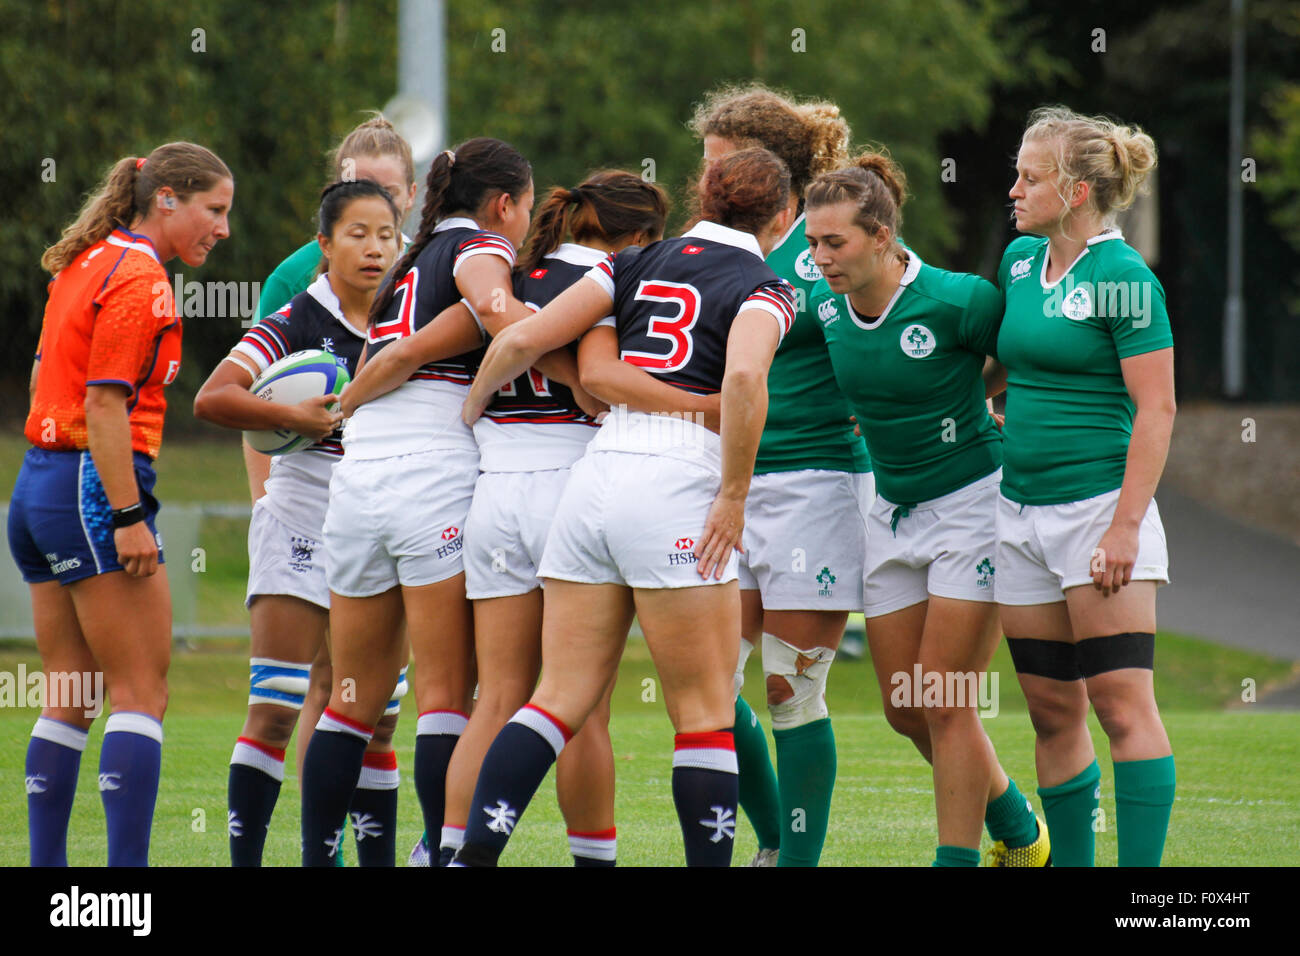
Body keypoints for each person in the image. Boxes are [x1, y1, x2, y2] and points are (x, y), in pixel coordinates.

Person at [453, 147, 798, 868]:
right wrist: (733, 495)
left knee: (554, 700)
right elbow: (741, 378)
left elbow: (520, 337)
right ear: (785, 215)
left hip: (597, 476)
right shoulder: (767, 286)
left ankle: (471, 859)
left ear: (702, 192)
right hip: (676, 483)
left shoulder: (629, 261)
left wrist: (473, 407)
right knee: (703, 716)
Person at [299, 137, 600, 866]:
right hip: (430, 474)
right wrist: (585, 379)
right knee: (442, 692)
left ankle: (316, 860)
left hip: (360, 474)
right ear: (504, 204)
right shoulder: (476, 248)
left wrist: (345, 408)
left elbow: (383, 354)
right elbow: (502, 320)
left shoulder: (408, 262)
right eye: (526, 209)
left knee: (350, 696)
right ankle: (439, 852)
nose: (527, 224)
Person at [805, 151, 1049, 867]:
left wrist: (984, 404)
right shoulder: (825, 307)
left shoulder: (958, 300)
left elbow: (1017, 358)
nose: (819, 258)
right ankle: (1018, 827)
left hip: (972, 508)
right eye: (813, 243)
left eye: (834, 243)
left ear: (882, 236)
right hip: (889, 510)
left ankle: (960, 860)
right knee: (905, 710)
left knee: (946, 701)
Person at [9, 143, 233, 866]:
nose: (223, 228)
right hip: (91, 487)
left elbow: (50, 372)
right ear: (166, 199)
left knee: (69, 696)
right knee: (142, 692)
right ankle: (125, 893)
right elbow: (105, 406)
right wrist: (130, 516)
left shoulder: (88, 260)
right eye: (215, 209)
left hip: (38, 487)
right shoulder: (143, 278)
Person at [193, 179, 402, 865]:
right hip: (303, 514)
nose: (374, 249)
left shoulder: (410, 317)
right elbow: (213, 397)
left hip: (380, 519)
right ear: (325, 244)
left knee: (374, 719)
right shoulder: (296, 321)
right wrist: (291, 416)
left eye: (386, 235)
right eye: (357, 234)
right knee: (279, 706)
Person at [688, 84, 870, 866]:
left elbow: (891, 330)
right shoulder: (713, 249)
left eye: (722, 167)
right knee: (713, 684)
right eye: (705, 169)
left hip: (817, 482)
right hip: (729, 485)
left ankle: (795, 860)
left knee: (789, 689)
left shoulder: (829, 247)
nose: (709, 185)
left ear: (774, 172)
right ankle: (769, 840)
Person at [996, 106, 1175, 867]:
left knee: (1120, 706)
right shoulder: (1017, 263)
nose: (1013, 190)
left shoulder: (1124, 277)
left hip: (1098, 510)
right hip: (1018, 514)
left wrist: (1125, 528)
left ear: (1074, 192)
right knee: (1050, 710)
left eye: (1030, 178)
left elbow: (1158, 409)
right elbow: (1019, 371)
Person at [245, 118, 420, 814]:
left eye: (385, 191)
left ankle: (347, 835)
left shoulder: (432, 268)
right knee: (306, 685)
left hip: (388, 504)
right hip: (311, 498)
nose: (372, 206)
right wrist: (268, 500)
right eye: (357, 189)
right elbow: (263, 395)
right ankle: (328, 844)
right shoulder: (298, 276)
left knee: (372, 700)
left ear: (410, 195)